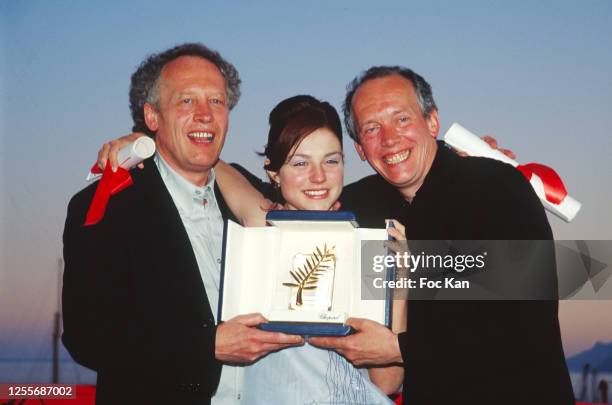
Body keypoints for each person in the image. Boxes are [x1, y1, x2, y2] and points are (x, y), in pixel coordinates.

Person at [98, 95, 404, 403]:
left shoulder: (366, 243)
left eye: (331, 160)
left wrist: (400, 276)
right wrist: (152, 141)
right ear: (273, 172)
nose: (318, 176)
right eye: (300, 162)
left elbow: (387, 382)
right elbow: (206, 159)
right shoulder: (264, 227)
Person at [309, 66, 575, 404]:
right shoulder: (368, 203)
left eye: (402, 119)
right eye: (372, 128)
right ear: (361, 149)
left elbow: (520, 321)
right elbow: (294, 197)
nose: (389, 139)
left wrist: (397, 348)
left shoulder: (496, 188)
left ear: (432, 122)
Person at [62, 43, 303, 405]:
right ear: (153, 117)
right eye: (187, 101)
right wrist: (208, 345)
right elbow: (88, 338)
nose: (205, 115)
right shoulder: (104, 206)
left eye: (217, 101)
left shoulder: (248, 193)